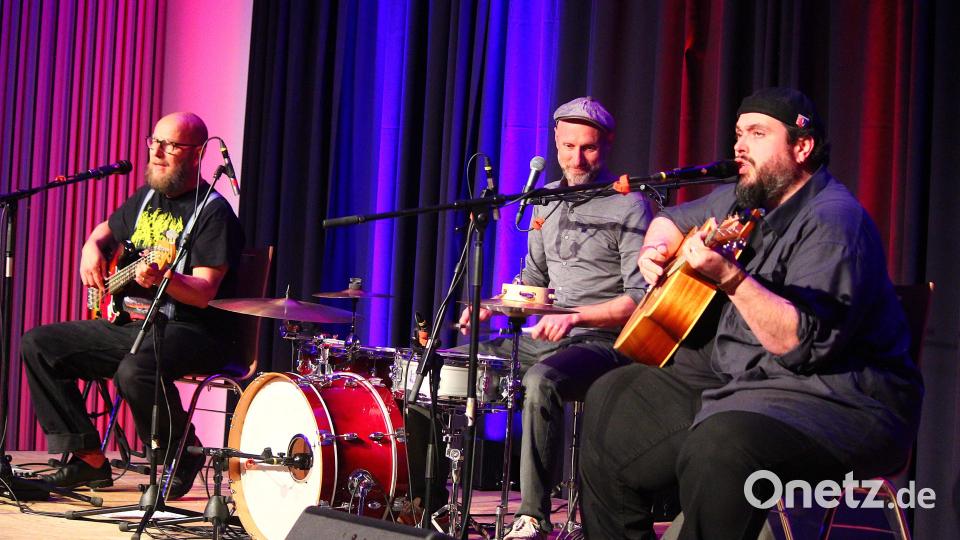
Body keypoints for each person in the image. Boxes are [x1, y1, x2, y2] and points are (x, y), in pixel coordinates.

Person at [579, 87, 924, 539]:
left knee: (723, 443)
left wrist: (730, 276)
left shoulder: (834, 222)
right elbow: (671, 220)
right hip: (743, 380)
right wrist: (654, 248)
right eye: (739, 133)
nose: (739, 146)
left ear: (802, 147)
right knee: (614, 397)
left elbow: (796, 345)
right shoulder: (745, 199)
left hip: (837, 398)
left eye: (758, 134)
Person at [405, 97, 653, 538]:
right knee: (432, 371)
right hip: (543, 335)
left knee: (541, 381)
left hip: (602, 341)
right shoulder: (545, 201)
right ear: (555, 141)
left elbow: (640, 298)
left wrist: (575, 318)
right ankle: (430, 507)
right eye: (569, 146)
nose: (577, 159)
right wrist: (493, 306)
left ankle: (532, 515)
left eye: (590, 149)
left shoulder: (630, 206)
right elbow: (533, 278)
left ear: (608, 146)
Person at [22, 112, 245, 500]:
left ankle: (183, 453)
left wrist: (166, 279)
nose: (157, 152)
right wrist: (90, 250)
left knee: (135, 369)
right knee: (39, 343)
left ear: (196, 155)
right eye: (154, 142)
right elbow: (102, 233)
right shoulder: (145, 199)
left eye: (170, 145)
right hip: (133, 325)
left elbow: (205, 292)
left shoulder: (212, 213)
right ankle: (88, 459)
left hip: (192, 330)